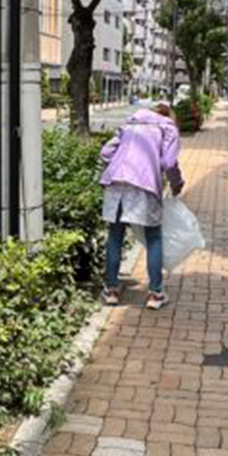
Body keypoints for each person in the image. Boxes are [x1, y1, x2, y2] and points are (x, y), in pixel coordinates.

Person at [99, 104, 184, 309]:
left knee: (115, 235)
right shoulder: (168, 128)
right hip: (144, 184)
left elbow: (105, 152)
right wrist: (176, 183)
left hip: (117, 182)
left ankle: (111, 290)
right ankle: (155, 294)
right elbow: (170, 163)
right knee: (153, 237)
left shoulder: (130, 124)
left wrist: (118, 164)